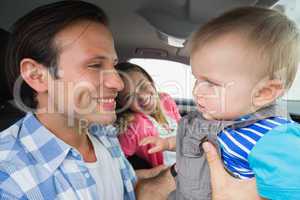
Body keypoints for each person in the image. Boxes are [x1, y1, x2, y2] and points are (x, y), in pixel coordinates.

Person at [0, 1, 135, 199]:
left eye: (113, 66)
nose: (118, 84)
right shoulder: (9, 180)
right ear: (37, 76)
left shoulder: (102, 133)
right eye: (95, 65)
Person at [175, 6, 300, 200]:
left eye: (210, 83)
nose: (196, 91)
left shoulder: (270, 139)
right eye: (196, 79)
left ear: (263, 93)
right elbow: (199, 134)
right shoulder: (225, 116)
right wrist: (168, 142)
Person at [115, 62, 180, 167]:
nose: (143, 97)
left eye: (143, 86)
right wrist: (151, 174)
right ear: (124, 105)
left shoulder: (166, 99)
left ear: (150, 81)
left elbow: (182, 127)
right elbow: (116, 164)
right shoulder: (133, 126)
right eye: (129, 97)